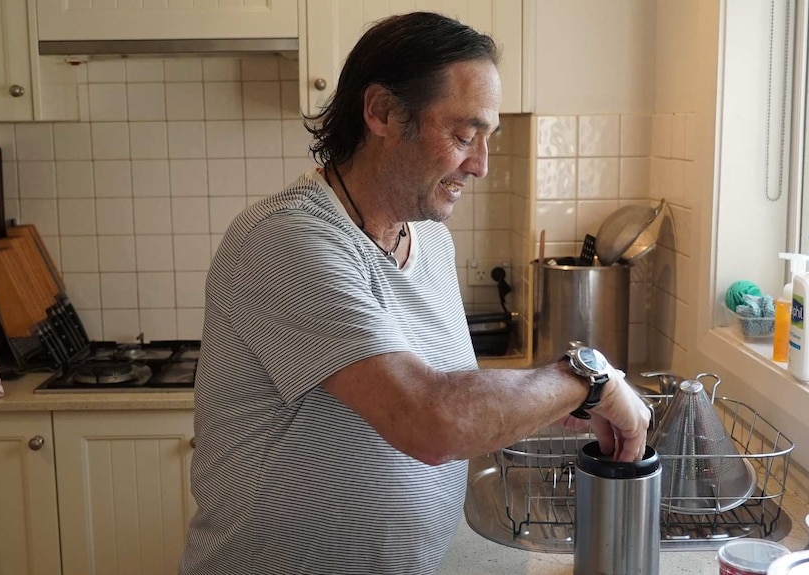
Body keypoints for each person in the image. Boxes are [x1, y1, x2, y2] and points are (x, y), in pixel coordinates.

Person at [179, 11, 650, 575]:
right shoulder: (286, 238)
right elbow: (430, 420)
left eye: (487, 138)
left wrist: (553, 405)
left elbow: (451, 396)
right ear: (382, 112)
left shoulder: (431, 241)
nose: (479, 165)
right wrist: (586, 379)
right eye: (462, 134)